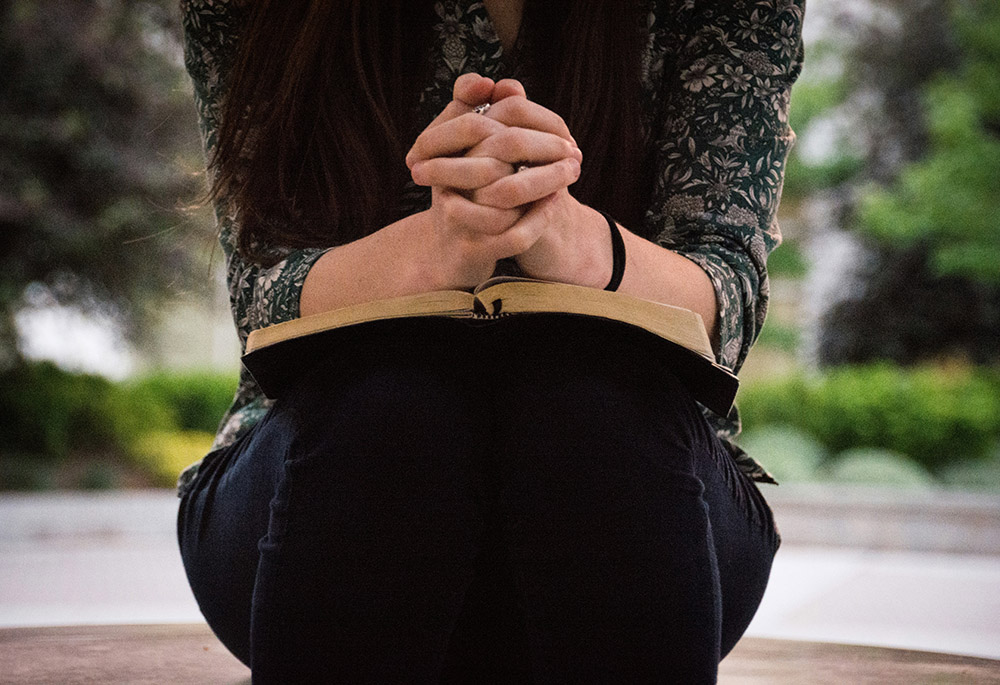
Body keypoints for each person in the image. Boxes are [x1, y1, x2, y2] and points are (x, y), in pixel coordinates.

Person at [176, 0, 804, 681]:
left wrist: (568, 236)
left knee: (591, 408)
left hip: (644, 502)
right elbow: (259, 296)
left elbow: (728, 301)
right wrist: (436, 246)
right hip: (314, 505)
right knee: (392, 408)